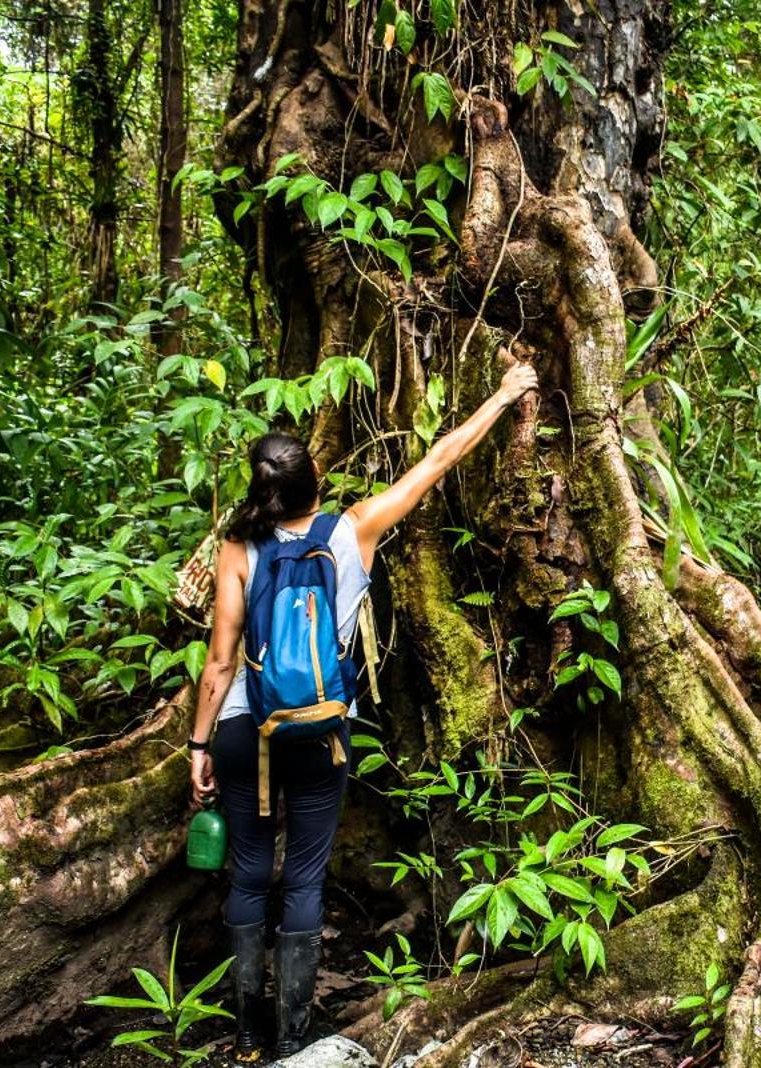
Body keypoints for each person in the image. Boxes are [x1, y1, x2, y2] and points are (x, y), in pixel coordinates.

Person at [186, 360, 538, 1060]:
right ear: (314, 483)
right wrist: (503, 396)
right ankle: (293, 1035)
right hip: (320, 731)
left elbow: (220, 661)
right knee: (306, 876)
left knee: (251, 871)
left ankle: (250, 1030)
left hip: (241, 731)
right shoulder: (354, 530)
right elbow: (438, 460)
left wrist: (199, 746)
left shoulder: (236, 547)